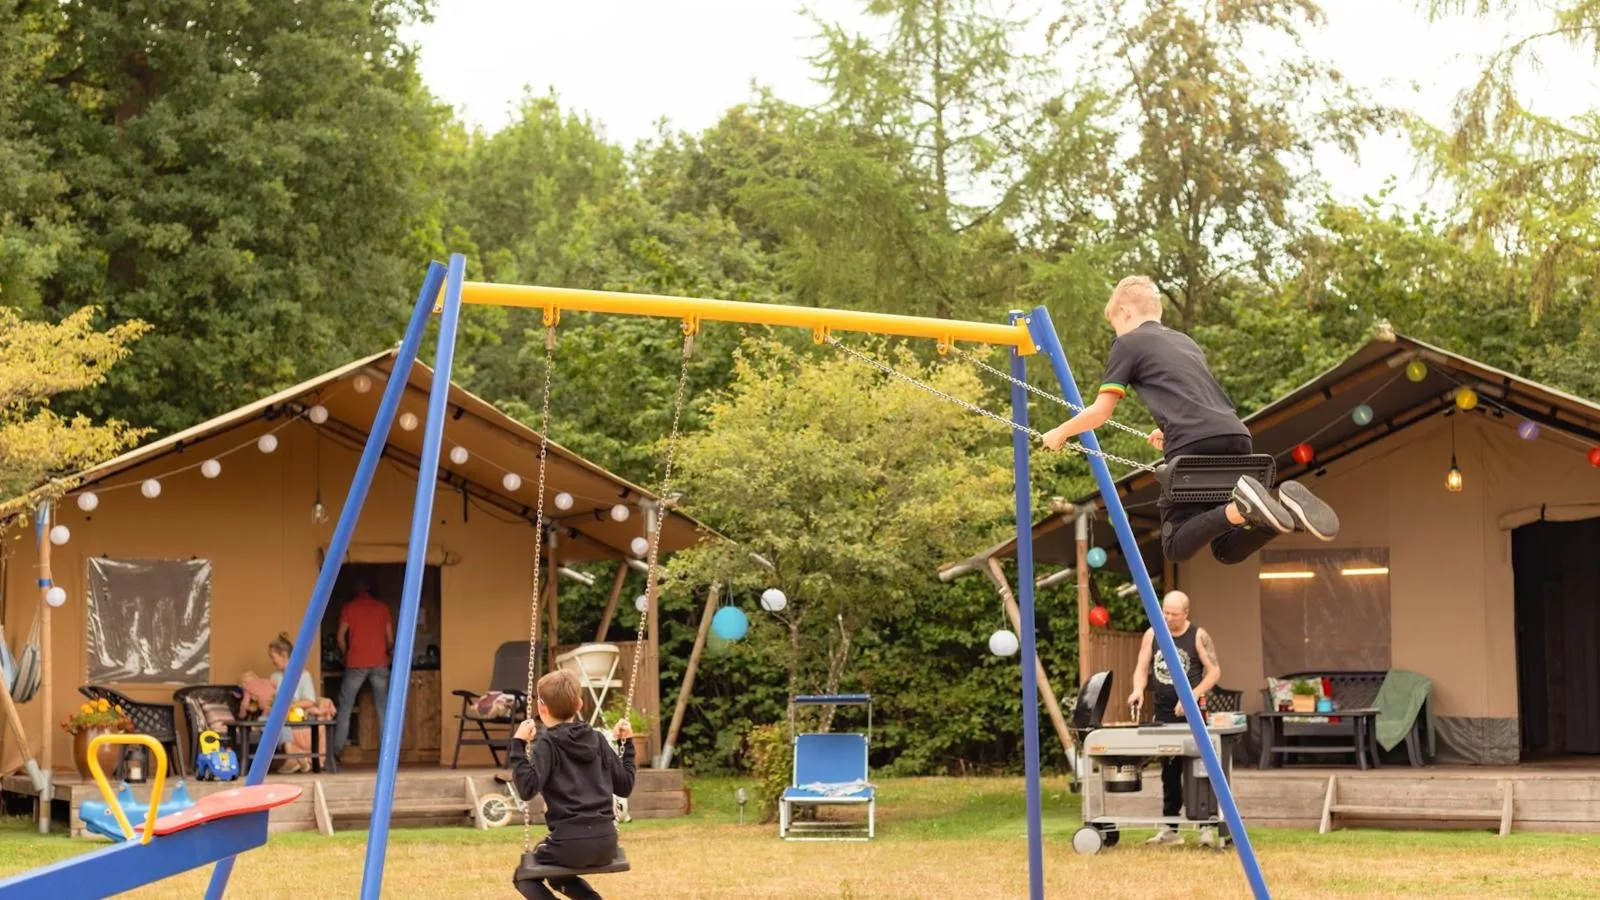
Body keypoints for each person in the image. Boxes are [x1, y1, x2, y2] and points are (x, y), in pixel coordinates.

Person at [1041, 275, 1339, 564]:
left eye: (1115, 325)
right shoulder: (1185, 342)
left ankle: (1244, 506)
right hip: (1236, 437)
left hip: (1194, 443)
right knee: (1226, 549)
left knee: (1175, 545)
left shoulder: (1128, 343)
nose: (1117, 333)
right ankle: (1280, 512)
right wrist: (1168, 429)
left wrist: (1060, 432)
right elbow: (1194, 396)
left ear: (1125, 311)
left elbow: (1100, 412)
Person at [510, 670, 636, 900]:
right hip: (606, 843)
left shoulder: (547, 743)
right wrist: (627, 746)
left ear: (542, 708)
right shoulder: (598, 739)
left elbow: (527, 789)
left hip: (569, 844)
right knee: (558, 876)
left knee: (523, 876)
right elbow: (624, 786)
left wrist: (518, 744)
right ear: (579, 704)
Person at [1125, 591, 1221, 846]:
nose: (1166, 617)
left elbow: (1214, 672)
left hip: (1193, 717)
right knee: (1169, 771)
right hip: (1164, 714)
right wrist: (1137, 689)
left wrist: (1192, 696)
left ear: (1186, 613)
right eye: (1164, 612)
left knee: (1200, 770)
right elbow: (1142, 668)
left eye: (1173, 614)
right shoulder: (1152, 633)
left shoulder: (1198, 636)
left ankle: (1206, 827)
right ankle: (1170, 828)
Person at [331, 584, 395, 760]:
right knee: (382, 708)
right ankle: (387, 754)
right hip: (380, 662)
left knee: (346, 706)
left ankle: (336, 751)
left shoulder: (349, 608)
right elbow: (390, 639)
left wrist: (346, 654)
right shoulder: (383, 608)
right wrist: (385, 651)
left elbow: (339, 636)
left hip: (356, 662)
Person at [262, 633, 335, 774]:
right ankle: (294, 757)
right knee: (267, 720)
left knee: (276, 720)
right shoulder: (274, 677)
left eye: (273, 657)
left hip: (299, 715)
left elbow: (310, 701)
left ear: (283, 655)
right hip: (280, 715)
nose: (272, 661)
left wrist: (290, 706)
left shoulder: (303, 675)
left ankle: (292, 757)